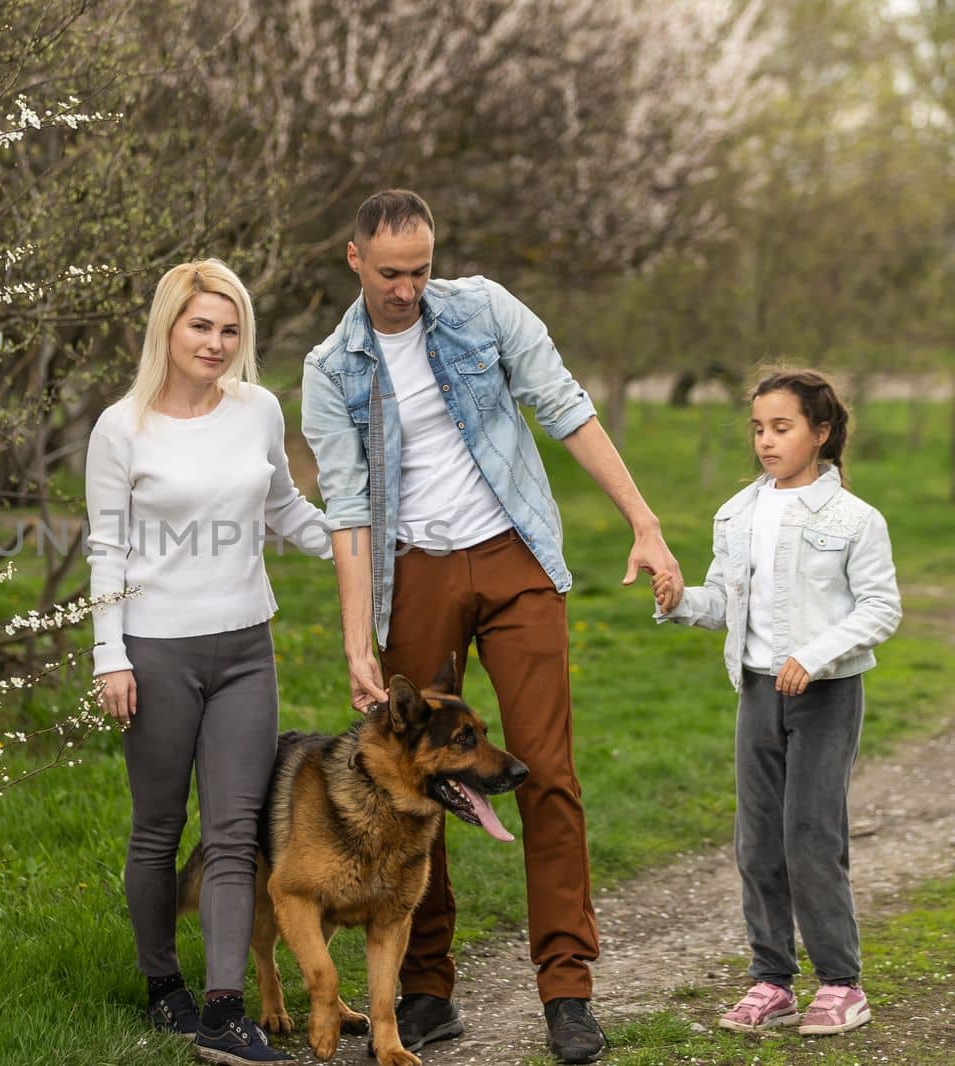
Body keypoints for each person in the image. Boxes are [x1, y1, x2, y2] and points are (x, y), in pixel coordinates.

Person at [299, 189, 682, 1065]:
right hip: (414, 576)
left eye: (421, 269)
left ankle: (567, 990)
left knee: (544, 769)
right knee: (418, 782)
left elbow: (565, 404)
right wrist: (358, 640)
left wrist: (644, 521)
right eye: (390, 272)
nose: (407, 288)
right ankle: (427, 990)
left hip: (513, 558)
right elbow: (349, 510)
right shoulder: (333, 368)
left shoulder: (483, 309)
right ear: (354, 259)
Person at [86, 258, 330, 1065]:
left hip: (244, 649)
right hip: (155, 653)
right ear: (168, 327)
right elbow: (107, 548)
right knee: (158, 830)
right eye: (202, 326)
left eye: (230, 330)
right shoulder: (121, 428)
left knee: (233, 833)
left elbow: (284, 507)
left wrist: (353, 545)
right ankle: (165, 988)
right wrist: (108, 656)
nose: (217, 343)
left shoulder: (257, 410)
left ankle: (226, 1011)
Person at [653, 368, 900, 1037]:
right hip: (757, 693)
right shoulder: (736, 513)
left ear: (820, 432)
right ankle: (771, 980)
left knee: (811, 839)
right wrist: (678, 603)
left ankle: (841, 984)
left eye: (782, 427)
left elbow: (881, 609)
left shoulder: (855, 519)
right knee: (757, 843)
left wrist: (814, 656)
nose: (766, 440)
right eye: (759, 428)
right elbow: (722, 602)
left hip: (825, 695)